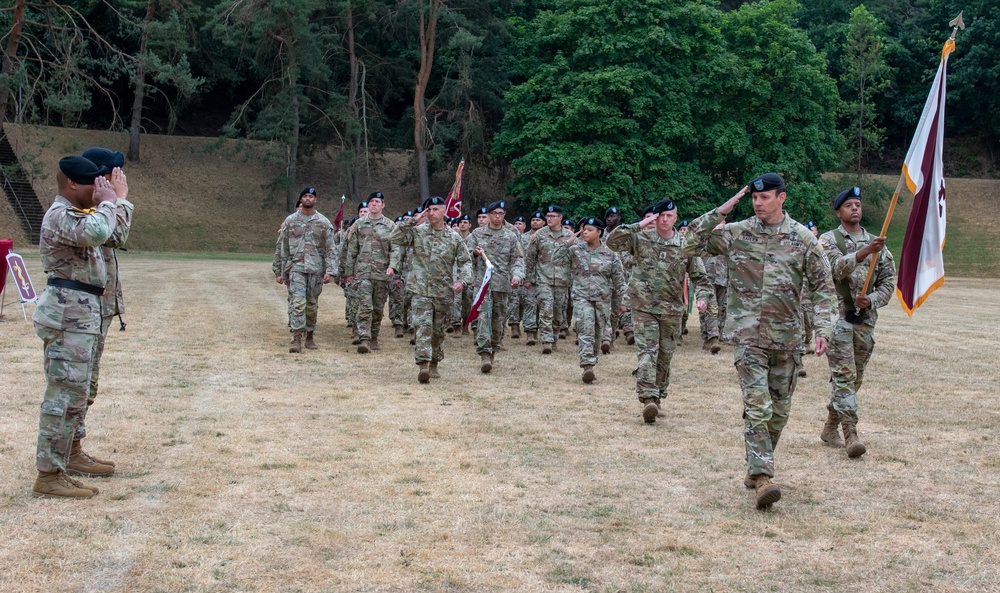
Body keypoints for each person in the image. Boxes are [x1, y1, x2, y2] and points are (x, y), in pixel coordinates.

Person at [683, 172, 835, 510]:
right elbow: (689, 243)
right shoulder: (738, 233)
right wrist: (721, 211)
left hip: (788, 339)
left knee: (779, 413)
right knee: (758, 407)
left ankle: (755, 467)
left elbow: (822, 289)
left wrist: (823, 329)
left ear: (782, 198)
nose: (758, 202)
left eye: (765, 198)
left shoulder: (803, 239)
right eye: (754, 197)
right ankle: (764, 476)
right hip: (748, 336)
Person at [31, 156, 119, 498]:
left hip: (80, 313)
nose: (99, 192)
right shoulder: (60, 215)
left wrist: (107, 203)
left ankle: (64, 459)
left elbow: (109, 233)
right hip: (67, 314)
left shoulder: (80, 214)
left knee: (76, 395)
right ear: (71, 184)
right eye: (93, 186)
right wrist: (110, 201)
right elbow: (99, 230)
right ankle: (48, 474)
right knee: (62, 396)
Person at [607, 199, 711, 423]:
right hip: (643, 307)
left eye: (669, 216)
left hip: (672, 310)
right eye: (660, 216)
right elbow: (612, 242)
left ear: (675, 217)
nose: (664, 220)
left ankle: (658, 396)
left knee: (665, 356)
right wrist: (640, 225)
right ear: (654, 217)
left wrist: (702, 298)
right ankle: (648, 398)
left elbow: (701, 278)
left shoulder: (685, 244)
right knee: (647, 352)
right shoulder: (640, 238)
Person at [68, 147, 133, 479]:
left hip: (97, 306)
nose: (120, 178)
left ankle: (72, 449)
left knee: (87, 384)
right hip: (81, 310)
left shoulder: (99, 204)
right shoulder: (88, 207)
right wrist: (120, 199)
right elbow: (116, 235)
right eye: (115, 173)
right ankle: (68, 451)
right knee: (78, 384)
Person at [819, 187, 895, 458]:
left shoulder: (879, 244)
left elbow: (888, 282)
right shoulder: (829, 240)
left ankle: (830, 425)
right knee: (844, 376)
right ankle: (851, 433)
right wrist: (864, 252)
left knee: (855, 379)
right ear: (839, 211)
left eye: (857, 204)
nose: (854, 208)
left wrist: (872, 299)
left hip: (865, 322)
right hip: (837, 319)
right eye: (848, 205)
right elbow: (833, 269)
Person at [389, 197, 472, 383]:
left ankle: (435, 362)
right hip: (420, 290)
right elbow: (394, 237)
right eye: (429, 210)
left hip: (443, 291)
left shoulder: (454, 237)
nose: (431, 213)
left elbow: (465, 261)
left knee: (438, 331)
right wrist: (413, 220)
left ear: (444, 212)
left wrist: (463, 281)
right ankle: (423, 365)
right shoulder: (417, 232)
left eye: (435, 209)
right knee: (422, 327)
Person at [274, 187, 337, 353]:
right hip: (297, 268)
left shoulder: (323, 223)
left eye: (311, 196)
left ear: (315, 200)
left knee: (311, 305)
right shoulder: (290, 221)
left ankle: (310, 334)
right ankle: (296, 338)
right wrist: (282, 272)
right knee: (298, 303)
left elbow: (331, 248)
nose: (308, 199)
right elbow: (284, 247)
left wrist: (330, 271)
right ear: (301, 199)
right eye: (305, 196)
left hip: (316, 269)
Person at [467, 200, 524, 373]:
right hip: (482, 284)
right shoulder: (477, 234)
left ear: (504, 215)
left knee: (498, 320)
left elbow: (518, 259)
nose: (497, 217)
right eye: (494, 214)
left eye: (501, 214)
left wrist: (517, 276)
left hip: (502, 284)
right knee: (484, 317)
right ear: (489, 215)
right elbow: (464, 258)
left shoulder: (511, 236)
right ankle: (484, 353)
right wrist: (475, 254)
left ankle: (493, 348)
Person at [570, 218, 626, 383]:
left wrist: (624, 300)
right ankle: (587, 364)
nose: (585, 232)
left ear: (599, 232)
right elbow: (556, 257)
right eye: (584, 229)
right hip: (581, 297)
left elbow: (619, 280)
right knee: (585, 328)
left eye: (589, 229)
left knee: (598, 332)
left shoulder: (611, 254)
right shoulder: (575, 250)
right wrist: (568, 241)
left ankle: (592, 361)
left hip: (602, 299)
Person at [344, 192, 396, 353]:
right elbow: (352, 249)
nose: (374, 204)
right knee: (365, 306)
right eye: (371, 201)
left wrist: (393, 266)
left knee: (378, 308)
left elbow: (395, 250)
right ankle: (364, 338)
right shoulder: (359, 225)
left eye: (377, 201)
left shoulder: (390, 226)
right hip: (363, 273)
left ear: (383, 205)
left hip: (382, 274)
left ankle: (374, 336)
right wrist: (349, 272)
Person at [524, 205, 575, 354]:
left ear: (560, 218)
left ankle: (554, 337)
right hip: (543, 279)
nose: (549, 219)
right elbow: (530, 258)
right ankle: (546, 341)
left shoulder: (569, 236)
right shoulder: (539, 235)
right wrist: (527, 278)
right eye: (547, 216)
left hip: (562, 280)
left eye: (553, 216)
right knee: (546, 309)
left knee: (559, 312)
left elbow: (576, 258)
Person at [520, 211, 545, 345]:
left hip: (544, 277)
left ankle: (544, 332)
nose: (535, 222)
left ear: (543, 222)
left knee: (544, 306)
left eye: (538, 220)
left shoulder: (547, 237)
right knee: (529, 304)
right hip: (528, 276)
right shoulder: (523, 238)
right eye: (533, 220)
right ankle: (530, 333)